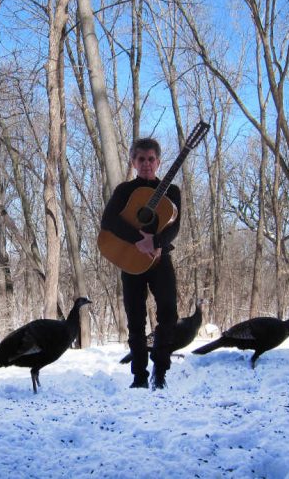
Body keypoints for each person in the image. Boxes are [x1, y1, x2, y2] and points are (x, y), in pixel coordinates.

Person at [101, 137, 181, 389]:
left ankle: (161, 368)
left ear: (158, 162)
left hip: (159, 260)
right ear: (133, 162)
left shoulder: (172, 191)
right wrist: (139, 239)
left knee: (168, 313)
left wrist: (156, 242)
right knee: (135, 319)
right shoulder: (125, 191)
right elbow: (109, 222)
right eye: (141, 159)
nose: (146, 164)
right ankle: (139, 377)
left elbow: (174, 225)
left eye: (151, 159)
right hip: (131, 260)